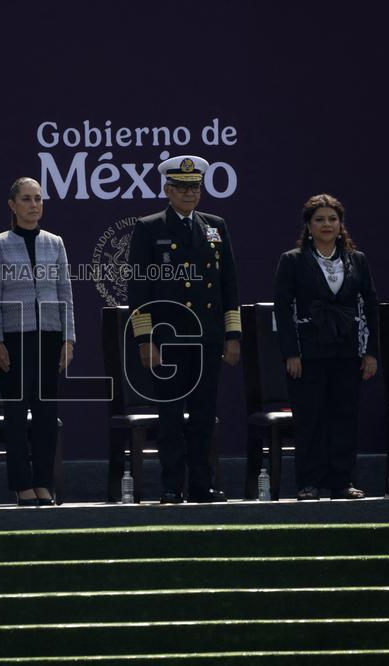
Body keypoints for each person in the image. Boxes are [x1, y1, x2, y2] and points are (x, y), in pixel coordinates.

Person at [126, 155, 240, 504]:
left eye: (195, 187)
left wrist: (232, 335)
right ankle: (171, 486)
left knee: (204, 415)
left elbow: (228, 285)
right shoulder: (150, 227)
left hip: (207, 337)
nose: (190, 194)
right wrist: (145, 340)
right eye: (182, 188)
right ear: (167, 189)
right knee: (172, 416)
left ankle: (201, 485)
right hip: (169, 338)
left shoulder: (215, 225)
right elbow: (138, 292)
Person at [274, 194, 379, 501]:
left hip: (347, 351)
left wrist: (370, 351)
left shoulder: (356, 259)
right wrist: (291, 352)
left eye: (332, 219)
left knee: (344, 417)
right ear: (308, 225)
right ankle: (308, 482)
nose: (326, 225)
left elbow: (369, 305)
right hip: (307, 353)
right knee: (310, 419)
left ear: (340, 224)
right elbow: (283, 308)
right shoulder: (292, 260)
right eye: (319, 219)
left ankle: (342, 482)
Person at [0, 177, 75, 506]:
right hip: (14, 337)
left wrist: (69, 338)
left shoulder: (55, 243)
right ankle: (21, 484)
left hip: (50, 337)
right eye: (26, 199)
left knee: (46, 416)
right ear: (12, 205)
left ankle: (43, 482)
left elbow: (66, 293)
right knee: (16, 415)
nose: (34, 205)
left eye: (38, 199)